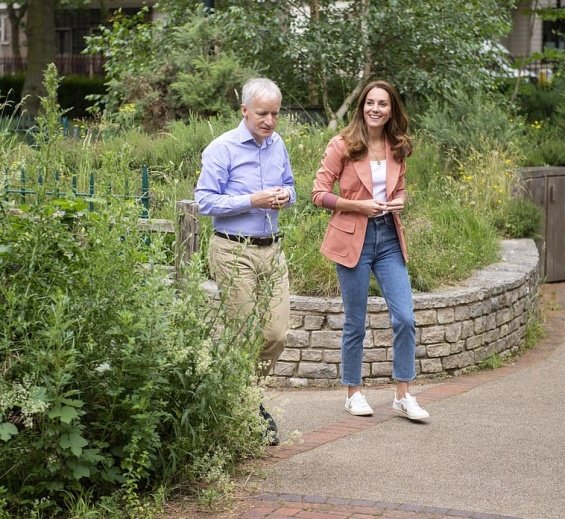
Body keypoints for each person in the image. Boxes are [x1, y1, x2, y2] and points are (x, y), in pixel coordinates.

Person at [311, 80, 429, 421]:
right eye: (370, 102)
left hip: (388, 238)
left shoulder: (397, 146)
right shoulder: (343, 145)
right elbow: (318, 193)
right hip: (352, 238)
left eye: (383, 104)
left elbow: (401, 187)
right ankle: (353, 392)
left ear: (392, 109)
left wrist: (399, 200)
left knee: (405, 318)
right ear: (362, 106)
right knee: (355, 321)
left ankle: (403, 395)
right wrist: (358, 205)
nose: (376, 109)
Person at [195, 77, 296, 444]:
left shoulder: (277, 144)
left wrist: (286, 194)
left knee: (276, 334)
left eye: (275, 114)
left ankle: (245, 397)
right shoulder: (221, 149)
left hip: (272, 248)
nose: (269, 121)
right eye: (262, 114)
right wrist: (251, 200)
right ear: (245, 111)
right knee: (244, 336)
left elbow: (291, 186)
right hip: (233, 249)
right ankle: (248, 407)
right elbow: (205, 201)